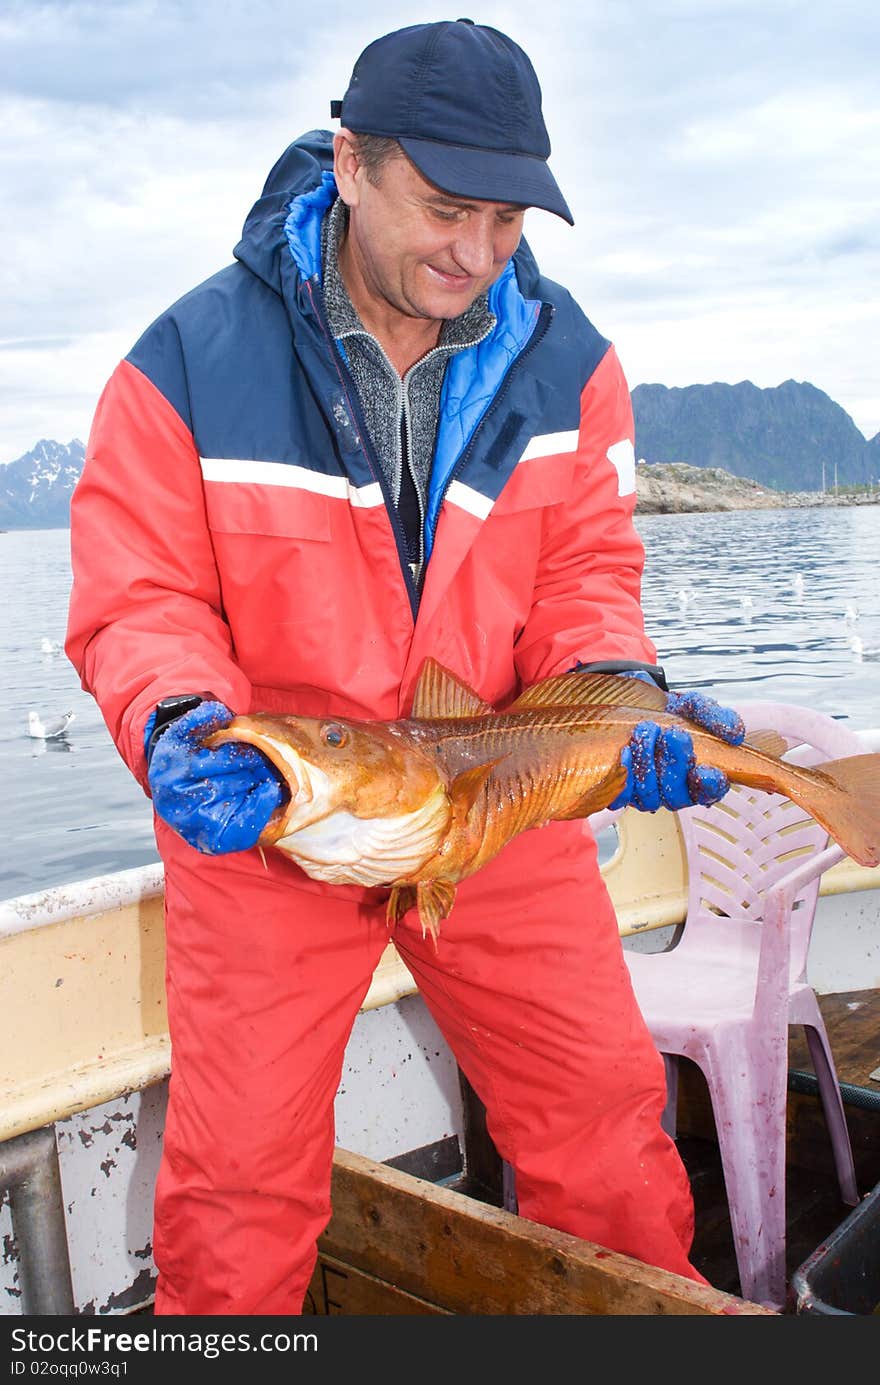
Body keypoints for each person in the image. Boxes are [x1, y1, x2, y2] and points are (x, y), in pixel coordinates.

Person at [66, 19, 745, 1316]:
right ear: (351, 163)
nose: (477, 252)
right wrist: (178, 718)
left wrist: (619, 692)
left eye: (506, 219)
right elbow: (140, 592)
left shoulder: (570, 364)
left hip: (495, 792)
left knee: (605, 1125)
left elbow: (586, 576)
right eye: (445, 207)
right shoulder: (184, 362)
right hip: (283, 818)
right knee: (238, 1188)